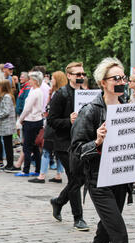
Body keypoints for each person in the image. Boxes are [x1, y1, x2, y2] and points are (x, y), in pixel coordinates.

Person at [70, 57, 134, 243]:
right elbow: (76, 151)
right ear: (103, 82)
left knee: (106, 232)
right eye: (116, 78)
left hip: (120, 177)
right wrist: (96, 141)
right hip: (98, 180)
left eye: (123, 77)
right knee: (119, 234)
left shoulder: (127, 107)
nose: (121, 82)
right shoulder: (91, 111)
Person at [47, 61, 89, 231]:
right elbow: (51, 121)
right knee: (75, 177)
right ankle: (78, 218)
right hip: (64, 143)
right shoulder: (61, 94)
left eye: (83, 74)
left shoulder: (87, 94)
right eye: (77, 74)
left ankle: (58, 201)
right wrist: (69, 121)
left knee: (81, 178)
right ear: (69, 76)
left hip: (82, 141)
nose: (81, 77)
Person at [29, 71, 67, 183]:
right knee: (58, 152)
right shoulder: (61, 93)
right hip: (60, 126)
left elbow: (49, 109)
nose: (51, 80)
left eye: (53, 79)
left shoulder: (58, 94)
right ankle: (59, 175)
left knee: (46, 150)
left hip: (52, 126)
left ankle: (42, 175)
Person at [15, 71, 44, 177]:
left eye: (31, 79)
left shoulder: (35, 92)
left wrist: (20, 119)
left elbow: (27, 108)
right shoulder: (38, 91)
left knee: (27, 146)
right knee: (34, 146)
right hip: (37, 120)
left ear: (35, 81)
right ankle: (38, 169)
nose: (29, 81)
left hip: (31, 120)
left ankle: (25, 170)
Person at [0, 80, 16, 170]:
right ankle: (9, 164)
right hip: (7, 125)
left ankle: (10, 164)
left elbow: (6, 112)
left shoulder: (6, 97)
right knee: (7, 145)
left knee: (8, 146)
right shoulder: (8, 96)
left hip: (7, 125)